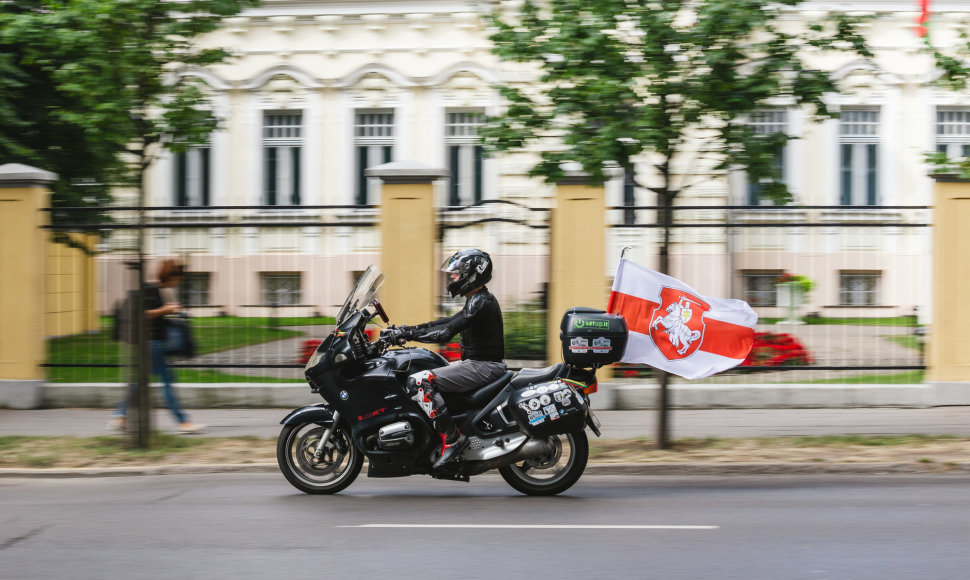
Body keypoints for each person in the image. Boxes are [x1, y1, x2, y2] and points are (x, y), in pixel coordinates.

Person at [385, 249, 506, 469]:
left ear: (472, 274)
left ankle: (452, 439)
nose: (452, 276)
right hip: (478, 364)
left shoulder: (480, 302)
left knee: (419, 382)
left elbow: (444, 333)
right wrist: (404, 330)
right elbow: (444, 322)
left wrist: (405, 335)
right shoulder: (477, 300)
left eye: (457, 272)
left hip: (483, 366)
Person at [107, 259, 205, 434]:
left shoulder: (159, 290)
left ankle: (119, 416)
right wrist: (166, 310)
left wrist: (168, 310)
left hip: (151, 342)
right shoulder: (151, 290)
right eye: (177, 277)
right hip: (152, 342)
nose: (178, 281)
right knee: (167, 381)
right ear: (171, 276)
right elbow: (142, 313)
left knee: (138, 382)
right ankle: (183, 422)